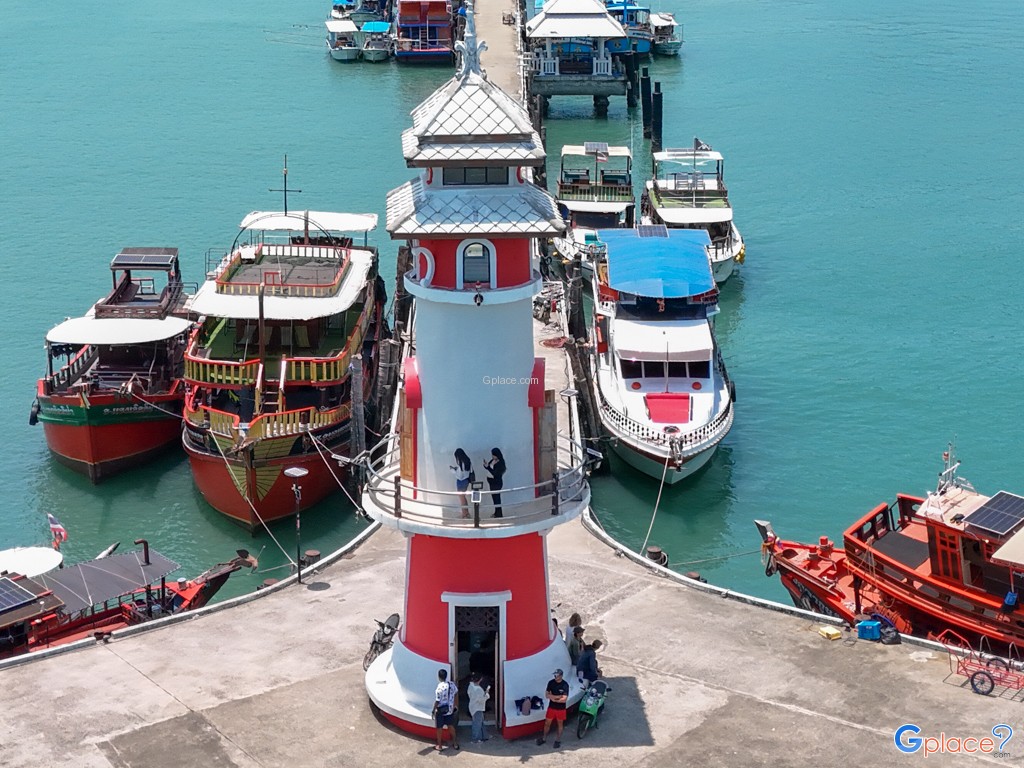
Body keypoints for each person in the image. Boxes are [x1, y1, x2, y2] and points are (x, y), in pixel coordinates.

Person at [536, 668, 569, 749]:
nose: (555, 676)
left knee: (560, 724)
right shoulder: (551, 683)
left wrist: (553, 698)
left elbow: (564, 699)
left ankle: (558, 740)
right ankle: (544, 738)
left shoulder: (565, 685)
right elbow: (547, 695)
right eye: (555, 675)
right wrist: (557, 697)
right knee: (547, 723)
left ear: (561, 676)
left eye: (557, 675)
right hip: (551, 707)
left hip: (561, 709)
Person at [432, 668, 460, 751]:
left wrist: (433, 710)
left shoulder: (439, 688)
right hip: (450, 710)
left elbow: (437, 701)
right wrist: (455, 704)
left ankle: (439, 746)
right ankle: (455, 743)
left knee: (439, 728)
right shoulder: (452, 684)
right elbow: (455, 693)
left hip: (441, 711)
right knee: (451, 726)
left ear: (439, 677)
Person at [483, 448, 506, 517]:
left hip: (496, 482)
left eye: (494, 455)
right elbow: (489, 468)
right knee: (494, 498)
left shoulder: (500, 463)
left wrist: (489, 468)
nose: (492, 456)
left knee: (497, 499)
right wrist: (486, 465)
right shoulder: (493, 461)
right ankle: (496, 512)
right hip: (491, 482)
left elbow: (494, 473)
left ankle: (499, 513)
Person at [450, 448, 473, 519]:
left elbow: (459, 475)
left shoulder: (461, 464)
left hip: (461, 482)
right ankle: (467, 512)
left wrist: (453, 470)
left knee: (461, 498)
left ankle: (464, 514)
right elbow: (470, 471)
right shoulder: (468, 461)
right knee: (464, 497)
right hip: (466, 481)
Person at [467, 673, 490, 743]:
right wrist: (486, 694)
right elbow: (481, 699)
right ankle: (475, 739)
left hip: (473, 706)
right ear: (480, 679)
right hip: (478, 708)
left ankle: (484, 736)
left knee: (480, 722)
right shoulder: (479, 690)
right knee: (477, 724)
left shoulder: (470, 686)